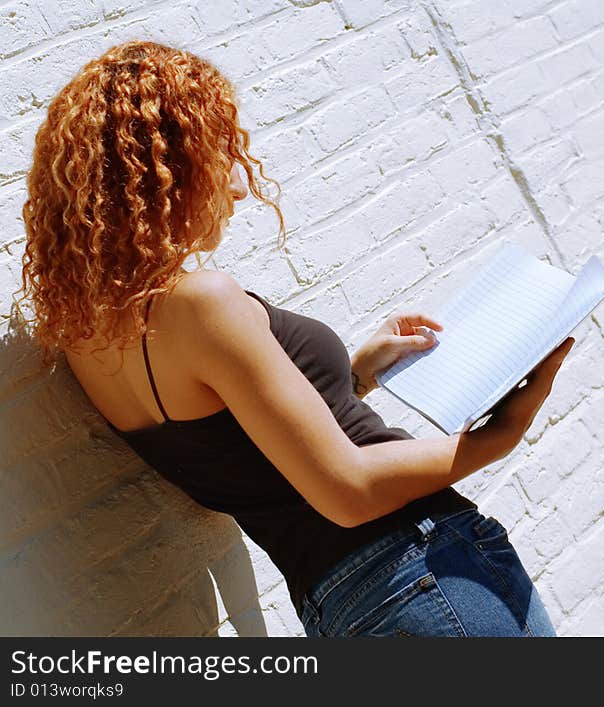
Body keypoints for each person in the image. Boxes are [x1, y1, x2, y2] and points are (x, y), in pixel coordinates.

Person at [15, 40, 575, 637]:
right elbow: (348, 492)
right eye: (222, 154)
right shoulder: (202, 303)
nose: (238, 185)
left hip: (341, 608)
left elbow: (236, 452)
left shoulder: (87, 342)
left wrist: (353, 375)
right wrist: (499, 436)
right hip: (420, 570)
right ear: (163, 169)